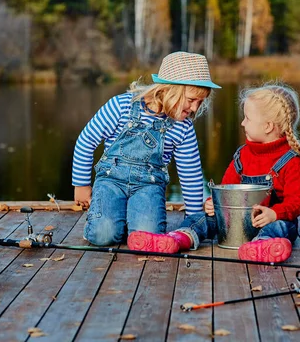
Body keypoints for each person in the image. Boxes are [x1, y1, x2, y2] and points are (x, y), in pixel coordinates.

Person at [127, 83, 300, 263]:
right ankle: (179, 238)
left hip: (269, 221)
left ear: (268, 126)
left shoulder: (291, 161)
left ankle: (263, 245)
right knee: (202, 218)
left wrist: (274, 213)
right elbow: (226, 189)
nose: (243, 123)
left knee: (281, 227)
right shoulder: (242, 155)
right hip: (235, 222)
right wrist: (214, 203)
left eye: (247, 118)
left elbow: (295, 204)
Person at [72, 51, 221, 246]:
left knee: (149, 235)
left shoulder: (183, 127)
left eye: (199, 103)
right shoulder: (121, 106)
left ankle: (128, 221)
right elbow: (86, 141)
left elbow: (190, 173)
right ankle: (104, 223)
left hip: (149, 187)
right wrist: (81, 185)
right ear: (169, 89)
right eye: (191, 100)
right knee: (103, 235)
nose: (194, 109)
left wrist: (193, 220)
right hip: (110, 182)